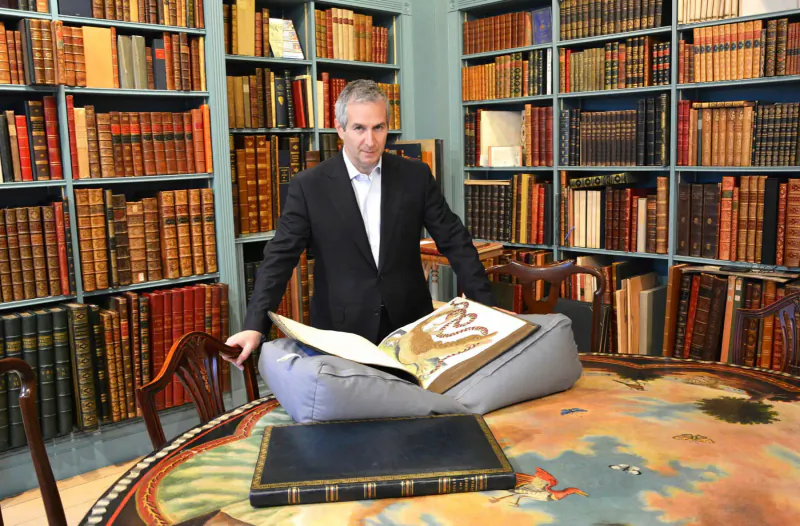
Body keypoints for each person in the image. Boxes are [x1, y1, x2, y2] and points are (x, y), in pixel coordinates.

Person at [224, 79, 495, 370]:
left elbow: (454, 239)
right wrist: (255, 324)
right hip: (341, 332)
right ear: (340, 129)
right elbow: (279, 259)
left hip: (410, 328)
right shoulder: (309, 186)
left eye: (378, 127)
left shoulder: (415, 176)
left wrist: (486, 308)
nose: (370, 140)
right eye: (359, 128)